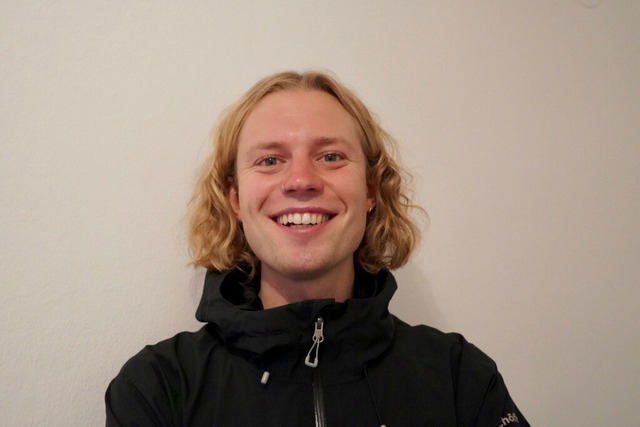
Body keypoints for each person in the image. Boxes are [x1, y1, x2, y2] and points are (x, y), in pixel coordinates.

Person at [105, 71, 529, 426]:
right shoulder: (158, 388)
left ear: (370, 190)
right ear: (235, 199)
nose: (301, 181)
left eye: (330, 157)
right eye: (270, 160)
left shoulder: (460, 377)